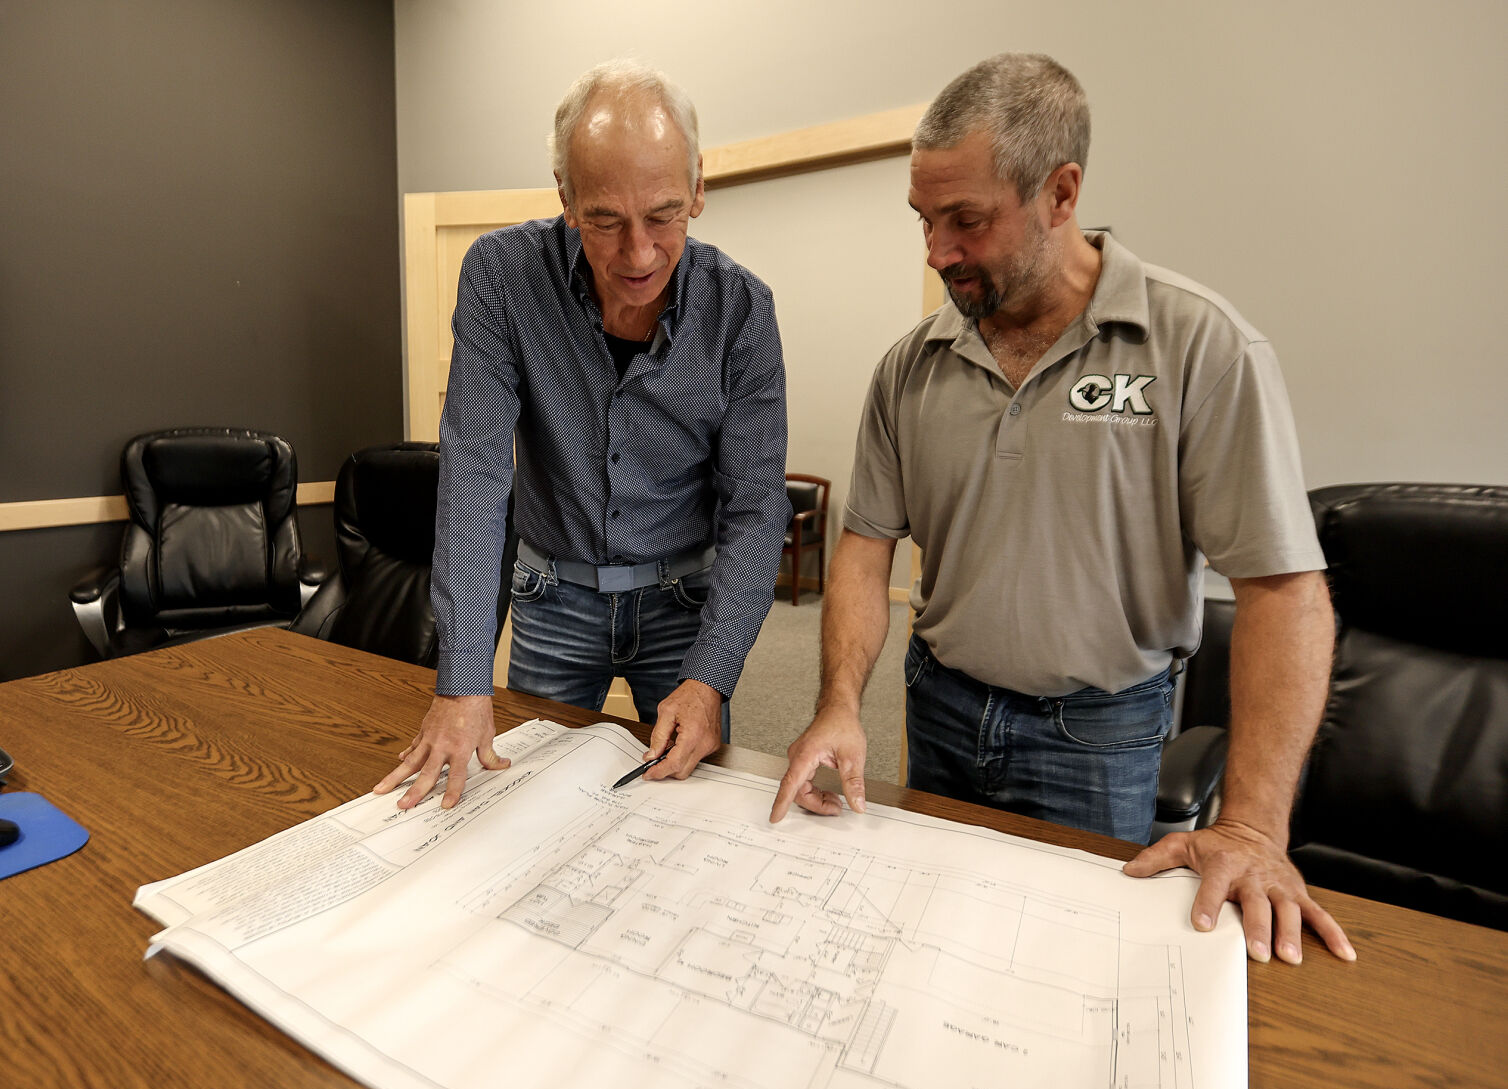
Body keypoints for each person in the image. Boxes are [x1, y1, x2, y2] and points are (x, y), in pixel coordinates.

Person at [773, 53, 1354, 967]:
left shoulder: (1199, 346)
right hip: (941, 707)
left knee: (1070, 970)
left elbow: (1283, 589)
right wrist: (840, 702)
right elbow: (863, 547)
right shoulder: (909, 366)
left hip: (1100, 736)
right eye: (926, 220)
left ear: (1061, 192)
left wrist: (1248, 825)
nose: (937, 251)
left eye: (967, 220)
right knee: (931, 951)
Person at [377, 61, 789, 812]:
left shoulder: (744, 314)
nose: (637, 255)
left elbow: (757, 508)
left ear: (699, 189)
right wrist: (464, 676)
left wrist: (712, 675)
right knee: (527, 809)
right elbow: (474, 470)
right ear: (565, 197)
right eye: (604, 219)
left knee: (687, 814)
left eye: (664, 215)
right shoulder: (501, 277)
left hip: (684, 601)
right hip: (552, 595)